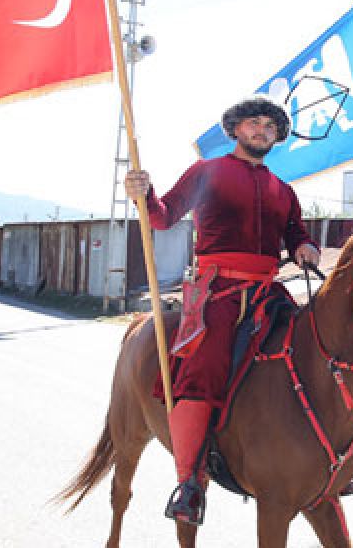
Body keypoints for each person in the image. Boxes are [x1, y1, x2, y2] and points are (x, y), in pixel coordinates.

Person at [124, 95, 320, 525]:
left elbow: (297, 236)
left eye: (270, 127)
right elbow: (162, 216)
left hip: (269, 291)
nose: (262, 131)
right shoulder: (206, 172)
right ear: (235, 130)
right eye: (254, 124)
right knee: (205, 367)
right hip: (217, 293)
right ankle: (190, 482)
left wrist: (306, 247)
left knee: (313, 349)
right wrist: (145, 193)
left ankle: (321, 463)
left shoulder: (283, 191)